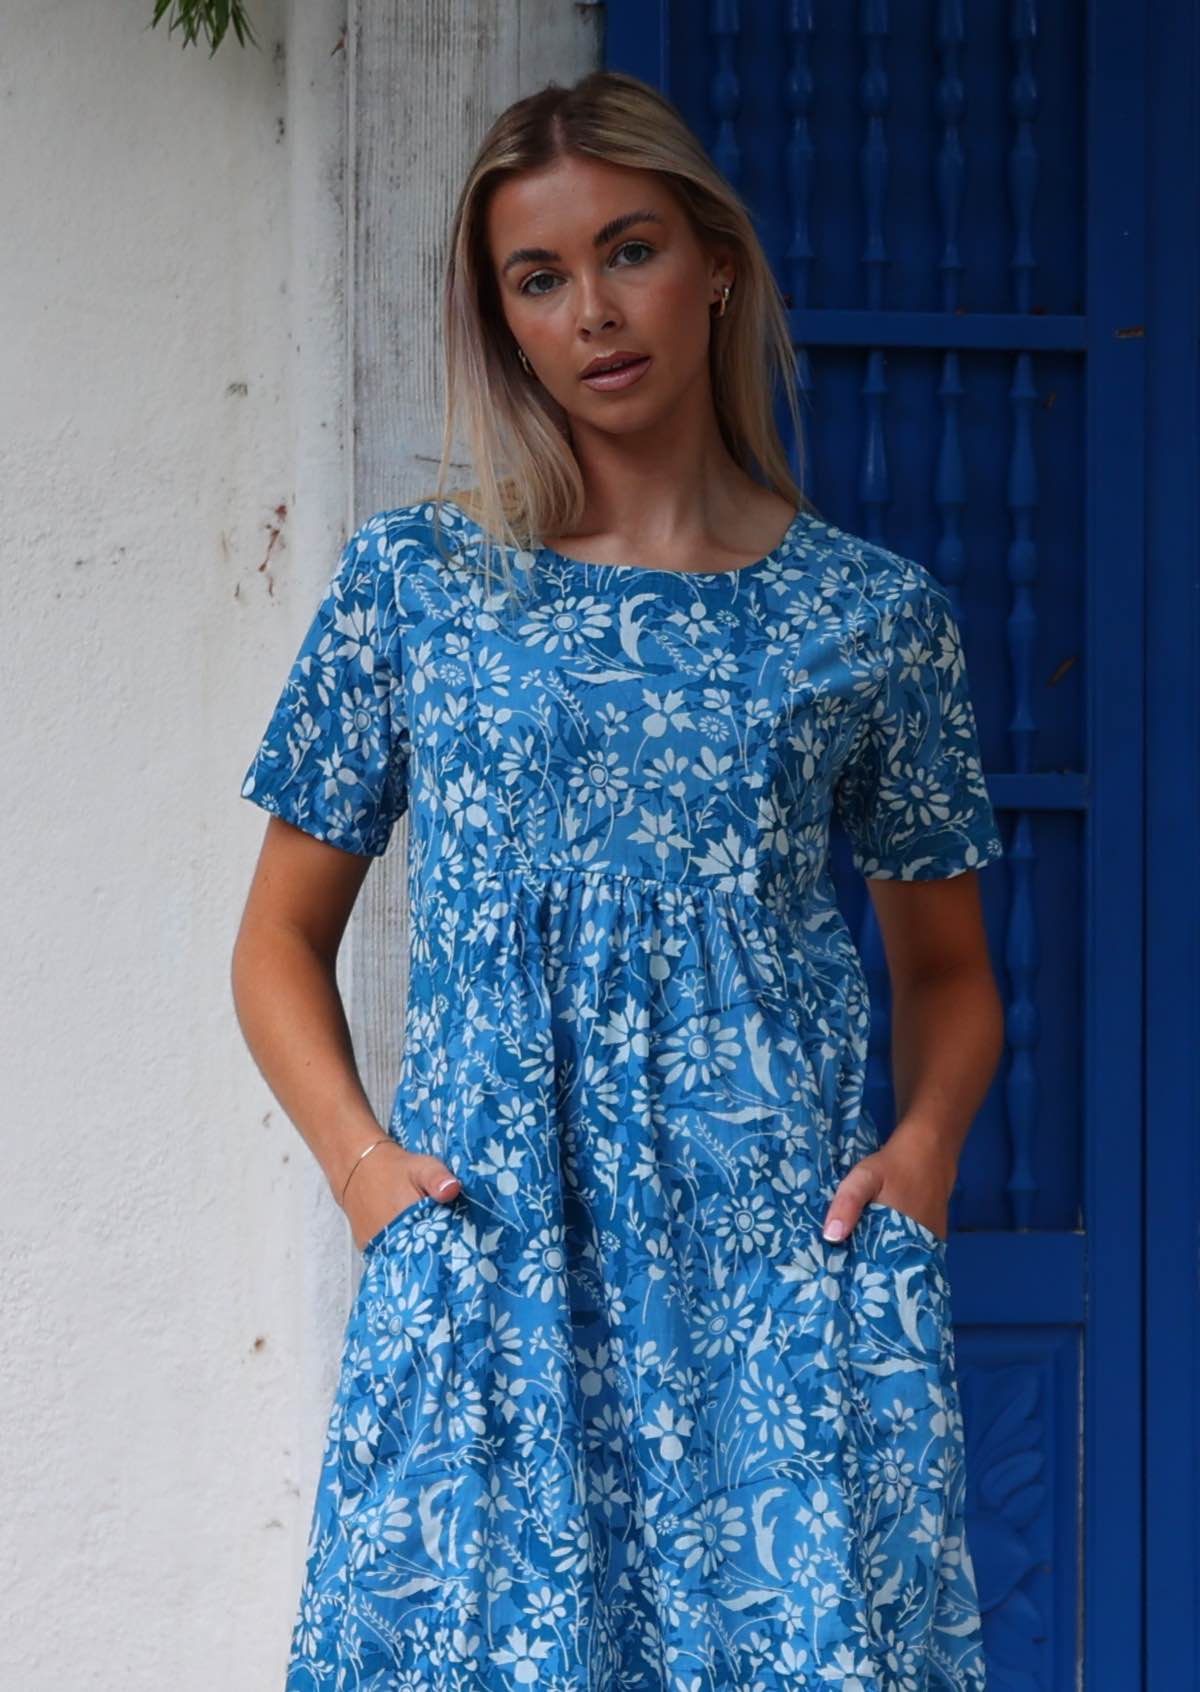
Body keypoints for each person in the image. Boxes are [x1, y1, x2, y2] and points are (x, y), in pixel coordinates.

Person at [232, 68, 1003, 1692]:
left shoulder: (872, 620)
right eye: (539, 278)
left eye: (629, 250)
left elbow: (947, 972)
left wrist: (921, 1160)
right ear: (502, 319)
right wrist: (374, 1183)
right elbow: (276, 947)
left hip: (774, 1288)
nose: (594, 311)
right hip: (497, 1269)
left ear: (714, 261)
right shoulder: (417, 587)